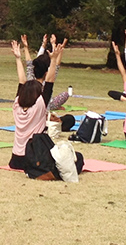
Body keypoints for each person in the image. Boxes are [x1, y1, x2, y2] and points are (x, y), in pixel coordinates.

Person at [8, 39, 81, 173]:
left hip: (15, 160)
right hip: (33, 159)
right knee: (78, 158)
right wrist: (53, 60)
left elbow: (22, 81)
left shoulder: (16, 105)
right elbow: (49, 81)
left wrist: (18, 58)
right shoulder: (40, 105)